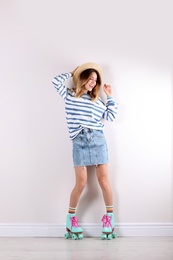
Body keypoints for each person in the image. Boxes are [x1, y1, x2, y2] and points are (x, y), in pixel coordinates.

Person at [52, 62, 118, 240]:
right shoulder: (70, 95)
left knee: (104, 182)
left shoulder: (96, 100)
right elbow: (55, 81)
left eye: (95, 80)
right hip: (79, 141)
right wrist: (72, 72)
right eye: (89, 78)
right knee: (81, 184)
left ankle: (109, 221)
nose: (92, 82)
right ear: (82, 79)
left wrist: (109, 96)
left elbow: (111, 116)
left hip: (97, 140)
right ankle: (70, 220)